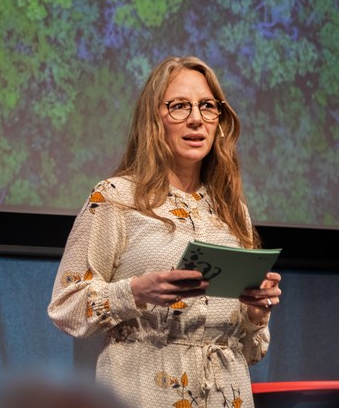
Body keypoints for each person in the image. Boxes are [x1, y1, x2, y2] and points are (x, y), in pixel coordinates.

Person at [48, 56, 282, 408]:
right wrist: (135, 291)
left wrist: (254, 314)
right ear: (153, 119)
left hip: (227, 392)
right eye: (179, 107)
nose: (195, 119)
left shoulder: (233, 212)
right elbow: (66, 306)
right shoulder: (115, 197)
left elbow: (251, 349)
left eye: (207, 107)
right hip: (143, 390)